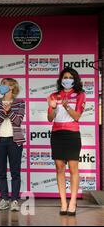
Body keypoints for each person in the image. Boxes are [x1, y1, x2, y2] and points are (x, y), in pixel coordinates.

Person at [47, 67, 85, 216]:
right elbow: (50, 119)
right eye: (65, 77)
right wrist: (53, 108)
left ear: (74, 80)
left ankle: (73, 202)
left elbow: (77, 116)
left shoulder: (80, 95)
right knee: (59, 168)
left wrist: (66, 105)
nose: (67, 79)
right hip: (57, 134)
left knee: (73, 168)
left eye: (70, 77)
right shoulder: (54, 95)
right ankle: (63, 202)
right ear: (61, 79)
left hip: (72, 134)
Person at [0, 78, 25, 211]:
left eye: (4, 84)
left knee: (15, 172)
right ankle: (4, 199)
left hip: (14, 141)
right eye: (1, 84)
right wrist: (3, 113)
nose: (1, 86)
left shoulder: (20, 102)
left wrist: (9, 111)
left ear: (11, 87)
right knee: (1, 172)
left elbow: (18, 121)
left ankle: (14, 200)